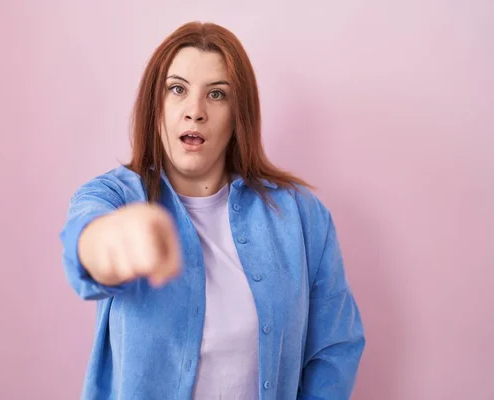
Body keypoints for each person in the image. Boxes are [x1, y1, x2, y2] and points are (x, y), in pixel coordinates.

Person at [60, 21, 365, 400]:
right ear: (156, 106)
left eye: (217, 95)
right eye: (177, 89)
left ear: (239, 115)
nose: (195, 111)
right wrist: (110, 239)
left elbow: (336, 346)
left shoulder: (303, 216)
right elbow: (84, 244)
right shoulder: (115, 196)